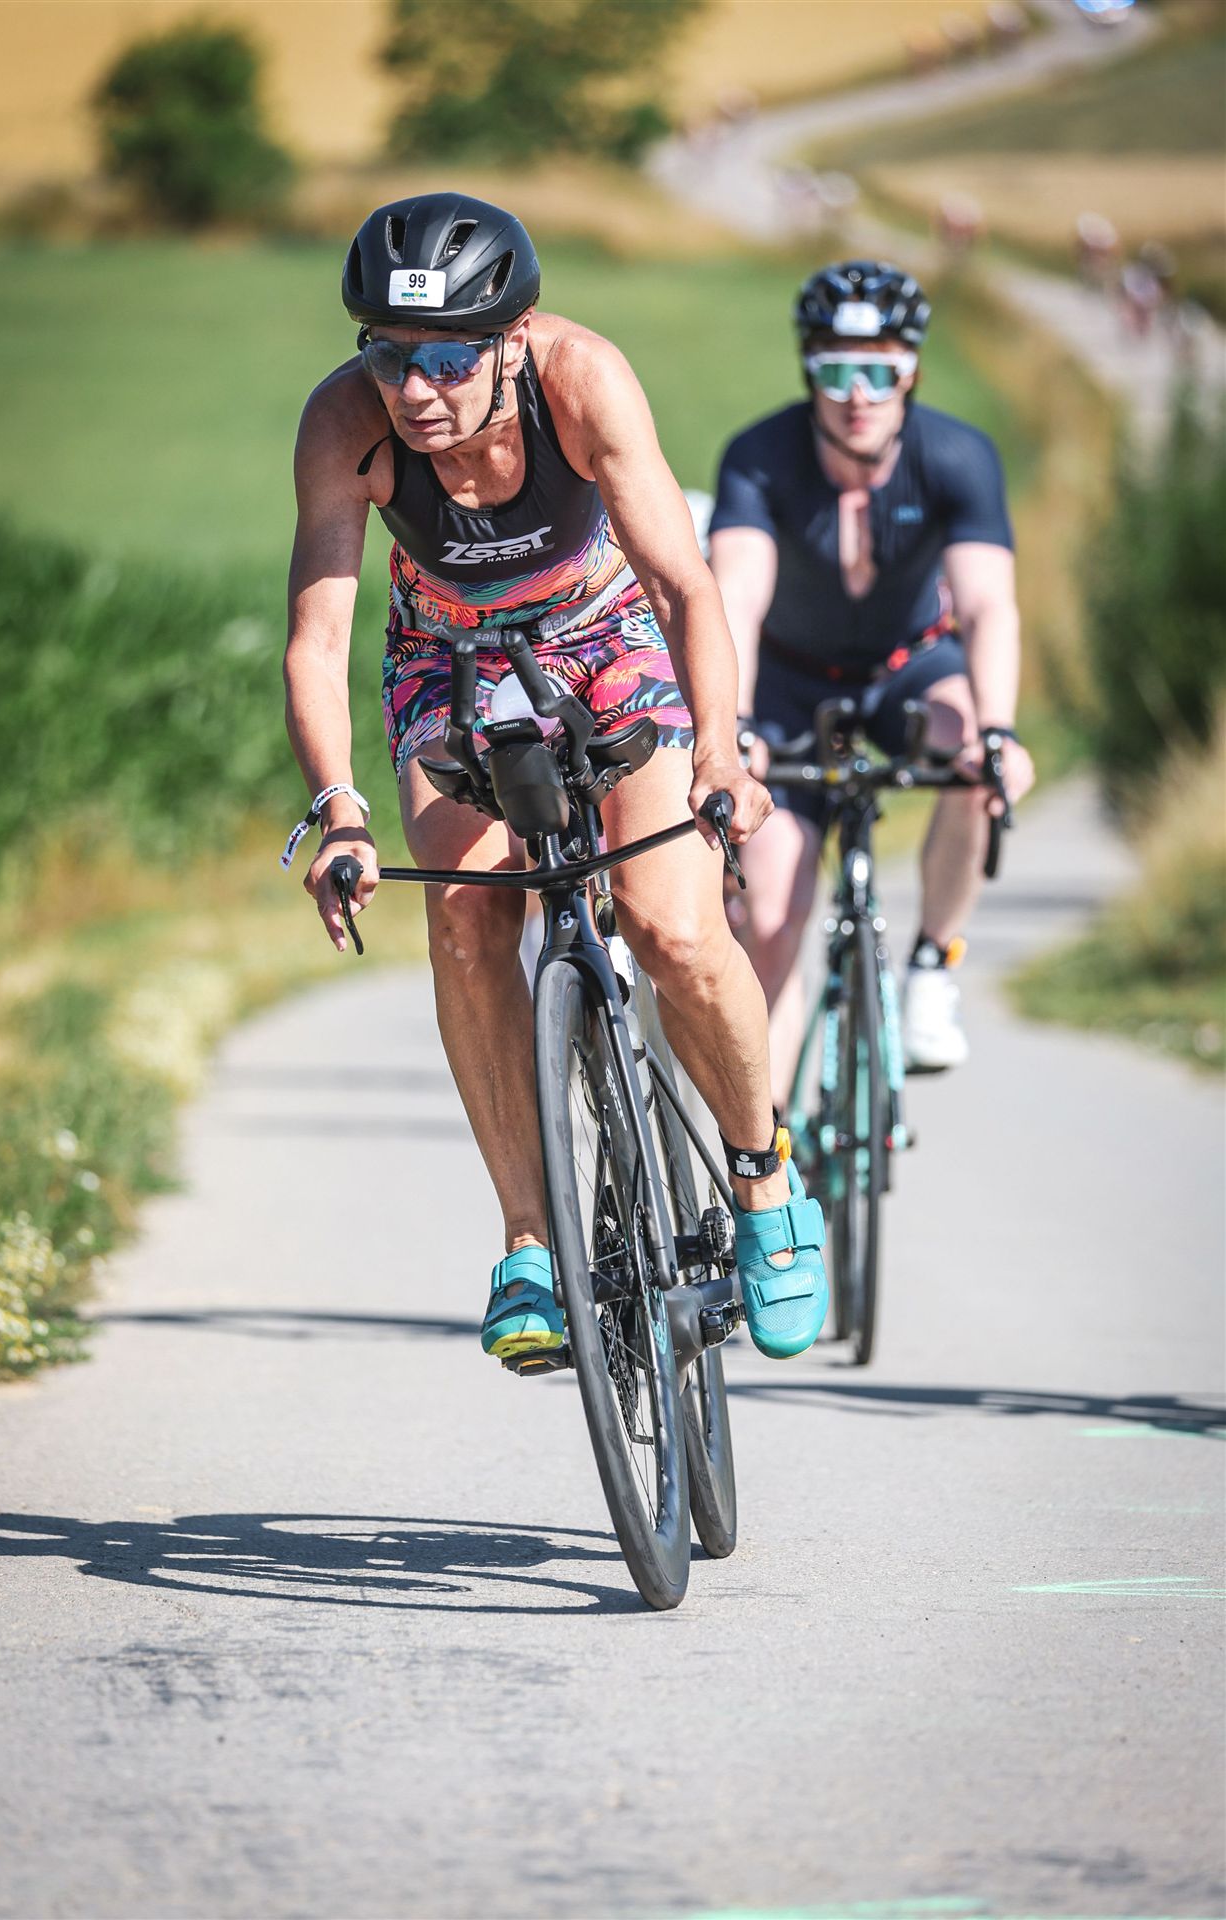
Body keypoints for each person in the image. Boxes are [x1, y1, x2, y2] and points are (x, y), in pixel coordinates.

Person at [282, 191, 827, 1364]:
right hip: (448, 651)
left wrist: (721, 754)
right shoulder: (343, 423)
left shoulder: (581, 380)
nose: (414, 389)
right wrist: (340, 813)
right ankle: (529, 1241)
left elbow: (683, 587)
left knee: (670, 924)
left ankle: (765, 1184)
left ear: (512, 339)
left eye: (446, 357)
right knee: (465, 915)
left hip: (605, 632)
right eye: (388, 354)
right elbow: (317, 642)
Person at [709, 260, 1036, 1102]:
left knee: (974, 755)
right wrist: (731, 725)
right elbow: (735, 595)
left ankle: (931, 965)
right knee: (770, 920)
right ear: (806, 369)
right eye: (835, 371)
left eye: (880, 372)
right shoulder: (759, 456)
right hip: (787, 683)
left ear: (912, 372)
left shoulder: (957, 456)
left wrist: (998, 730)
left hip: (907, 668)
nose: (857, 395)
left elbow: (986, 606)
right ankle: (765, 1141)